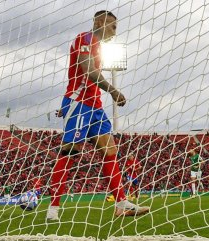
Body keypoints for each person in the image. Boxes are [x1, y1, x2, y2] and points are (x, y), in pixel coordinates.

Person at [46, 10, 149, 221]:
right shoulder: (84, 38)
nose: (114, 31)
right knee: (70, 153)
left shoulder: (98, 47)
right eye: (113, 26)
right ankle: (53, 209)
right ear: (100, 22)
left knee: (110, 151)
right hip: (79, 103)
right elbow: (88, 70)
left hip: (95, 107)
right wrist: (112, 90)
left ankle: (121, 204)